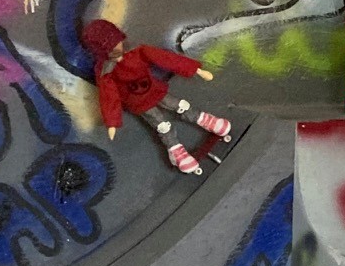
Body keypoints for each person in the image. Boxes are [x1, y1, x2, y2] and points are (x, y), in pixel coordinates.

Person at [80, 19, 233, 175]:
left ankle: (204, 119)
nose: (116, 47)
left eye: (116, 42)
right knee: (161, 124)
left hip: (155, 90)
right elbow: (109, 96)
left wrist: (196, 70)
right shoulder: (106, 72)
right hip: (139, 103)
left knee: (180, 105)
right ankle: (175, 151)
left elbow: (166, 59)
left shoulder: (137, 52)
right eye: (111, 48)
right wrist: (112, 121)